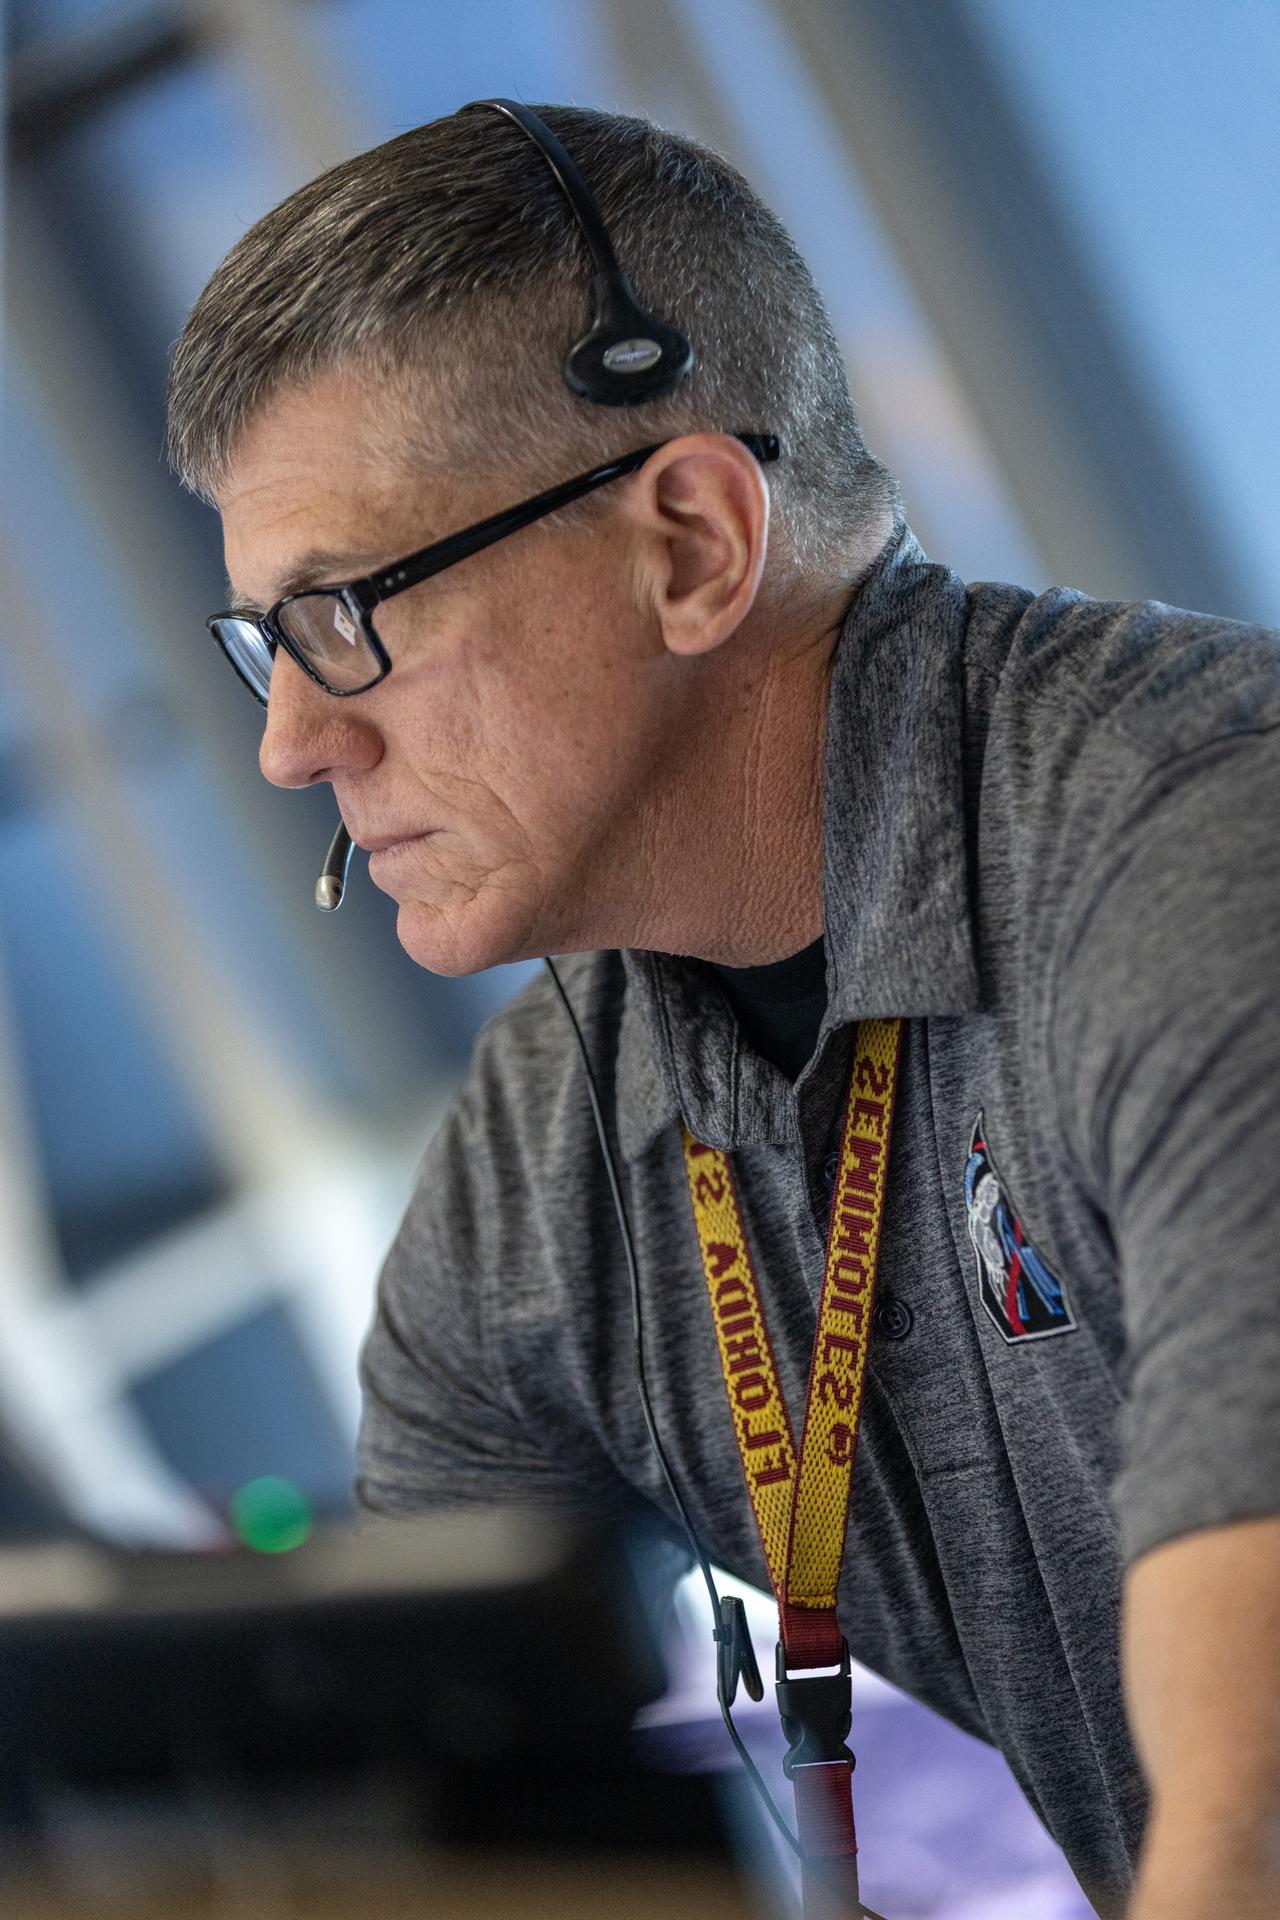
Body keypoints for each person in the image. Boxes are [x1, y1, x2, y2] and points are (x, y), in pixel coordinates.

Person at [165, 103, 1280, 1920]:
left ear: (688, 539)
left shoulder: (1207, 864)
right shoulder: (546, 1167)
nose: (294, 738)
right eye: (264, 644)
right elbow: (429, 1826)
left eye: (345, 613)